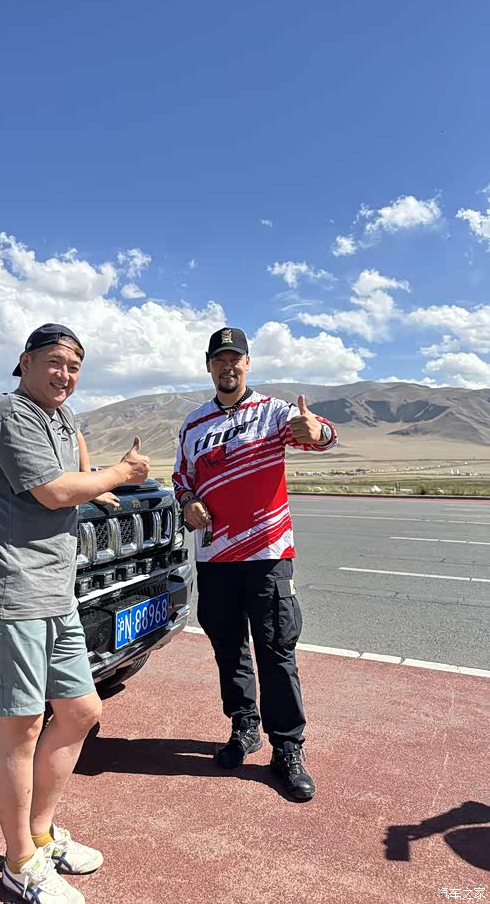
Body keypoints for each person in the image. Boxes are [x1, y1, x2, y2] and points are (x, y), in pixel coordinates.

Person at [0, 323, 150, 903]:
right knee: (20, 726)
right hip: (12, 591)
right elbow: (50, 491)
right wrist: (117, 476)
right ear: (25, 361)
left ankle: (41, 836)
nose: (65, 375)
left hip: (54, 591)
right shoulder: (10, 414)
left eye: (74, 366)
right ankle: (19, 860)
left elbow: (73, 461)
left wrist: (93, 484)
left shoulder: (61, 416)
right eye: (54, 362)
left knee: (80, 711)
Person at [172, 327, 337, 800]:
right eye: (219, 359)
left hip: (267, 555)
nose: (228, 366)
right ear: (209, 365)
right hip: (214, 557)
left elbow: (318, 435)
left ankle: (287, 748)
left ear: (247, 364)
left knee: (276, 649)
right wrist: (187, 501)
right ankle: (244, 726)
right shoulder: (193, 424)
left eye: (235, 358)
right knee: (228, 647)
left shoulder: (274, 412)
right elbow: (182, 477)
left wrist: (319, 431)